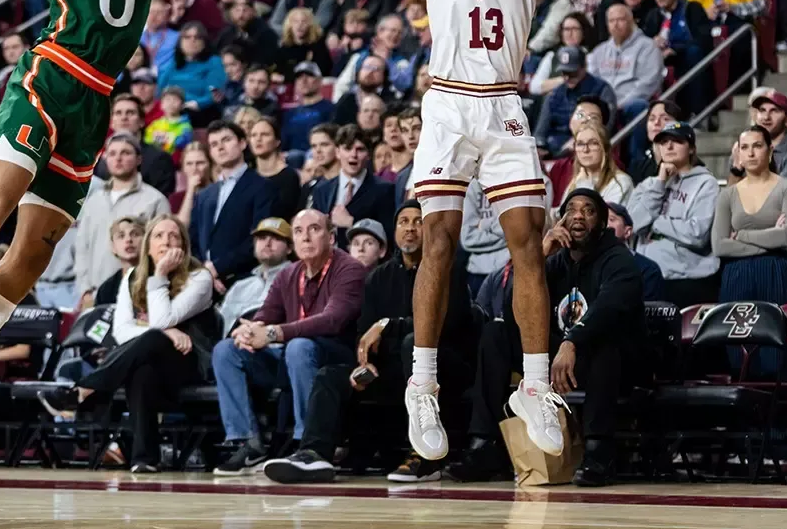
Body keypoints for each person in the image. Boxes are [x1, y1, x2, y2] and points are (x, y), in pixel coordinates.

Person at [403, 0, 575, 463]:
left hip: (501, 103)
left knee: (527, 241)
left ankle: (534, 387)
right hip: (446, 103)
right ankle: (422, 383)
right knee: (437, 238)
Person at [444, 188, 644, 487]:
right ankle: (484, 445)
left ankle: (598, 452)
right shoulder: (555, 259)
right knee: (497, 332)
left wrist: (571, 341)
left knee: (605, 346)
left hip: (612, 359)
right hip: (560, 357)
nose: (578, 215)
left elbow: (609, 309)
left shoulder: (619, 260)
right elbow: (514, 309)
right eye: (571, 209)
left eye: (588, 210)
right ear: (561, 219)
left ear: (601, 223)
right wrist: (538, 255)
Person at [263, 201, 474, 485]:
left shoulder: (450, 270)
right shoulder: (378, 277)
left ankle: (426, 456)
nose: (410, 228)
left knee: (413, 343)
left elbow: (446, 325)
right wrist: (365, 365)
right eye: (403, 222)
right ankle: (314, 453)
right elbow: (364, 332)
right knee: (330, 376)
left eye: (418, 221)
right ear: (395, 231)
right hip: (394, 368)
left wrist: (388, 325)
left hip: (442, 367)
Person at [39, 215, 217, 474]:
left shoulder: (199, 277)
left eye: (173, 236)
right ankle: (144, 458)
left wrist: (160, 275)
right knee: (141, 371)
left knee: (153, 339)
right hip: (150, 361)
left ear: (184, 244)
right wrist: (168, 333)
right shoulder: (133, 275)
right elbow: (121, 332)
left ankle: (84, 391)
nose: (166, 241)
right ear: (148, 244)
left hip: (191, 362)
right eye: (158, 235)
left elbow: (161, 319)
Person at [209, 209, 367, 473]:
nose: (306, 237)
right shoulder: (288, 274)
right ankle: (248, 444)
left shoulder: (349, 268)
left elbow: (333, 320)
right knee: (226, 350)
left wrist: (272, 333)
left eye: (314, 229)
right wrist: (249, 331)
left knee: (299, 345)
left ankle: (309, 444)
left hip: (337, 360)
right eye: (298, 231)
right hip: (291, 358)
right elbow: (266, 313)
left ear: (331, 237)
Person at [713, 125, 787, 373]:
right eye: (745, 147)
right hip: (736, 275)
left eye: (757, 146)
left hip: (776, 271)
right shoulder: (727, 195)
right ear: (738, 154)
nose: (751, 153)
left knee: (776, 353)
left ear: (770, 150)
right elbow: (719, 245)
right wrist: (768, 237)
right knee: (737, 351)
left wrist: (742, 235)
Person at [628, 122, 719, 306]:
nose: (669, 146)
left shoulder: (706, 184)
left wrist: (653, 221)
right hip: (647, 277)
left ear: (692, 148)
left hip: (686, 280)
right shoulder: (648, 185)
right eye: (664, 142)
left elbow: (696, 234)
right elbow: (634, 224)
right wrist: (660, 182)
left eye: (677, 141)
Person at [73, 133, 170, 297]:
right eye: (112, 153)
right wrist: (85, 290)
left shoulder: (155, 200)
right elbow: (82, 248)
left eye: (125, 153)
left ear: (139, 159)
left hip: (139, 291)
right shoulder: (93, 201)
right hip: (96, 292)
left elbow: (163, 250)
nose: (118, 158)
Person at [190, 121, 276, 289]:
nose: (220, 147)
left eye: (226, 140)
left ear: (243, 143)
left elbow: (260, 239)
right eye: (214, 144)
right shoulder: (204, 195)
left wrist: (217, 269)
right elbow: (192, 241)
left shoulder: (263, 187)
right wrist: (204, 274)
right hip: (202, 282)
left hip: (244, 280)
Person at [307, 124, 396, 251]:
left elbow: (388, 235)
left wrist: (352, 222)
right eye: (347, 148)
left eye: (360, 149)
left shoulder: (384, 189)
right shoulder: (322, 190)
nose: (353, 154)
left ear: (369, 155)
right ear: (337, 152)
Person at [559, 122, 634, 209]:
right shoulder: (576, 181)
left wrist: (584, 184)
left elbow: (603, 220)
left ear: (605, 149)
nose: (585, 150)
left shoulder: (621, 182)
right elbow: (561, 215)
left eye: (593, 143)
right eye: (580, 144)